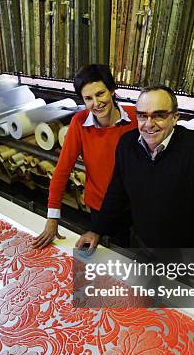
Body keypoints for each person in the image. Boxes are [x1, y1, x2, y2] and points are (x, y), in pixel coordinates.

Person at [75, 85, 194, 253]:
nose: (149, 124)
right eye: (142, 116)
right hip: (141, 244)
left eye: (159, 115)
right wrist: (97, 229)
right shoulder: (127, 144)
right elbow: (117, 191)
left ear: (175, 117)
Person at [33, 64, 137, 249]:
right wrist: (52, 217)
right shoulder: (79, 123)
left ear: (112, 90)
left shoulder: (135, 118)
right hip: (100, 206)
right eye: (88, 98)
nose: (96, 103)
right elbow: (62, 170)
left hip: (135, 205)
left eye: (100, 94)